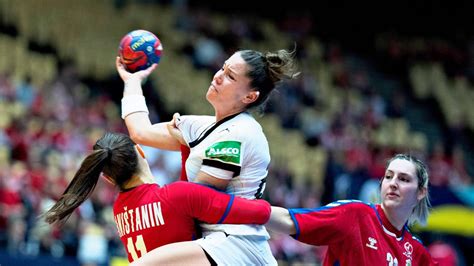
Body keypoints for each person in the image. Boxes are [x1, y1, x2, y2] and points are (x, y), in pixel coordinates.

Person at [116, 47, 299, 265]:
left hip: (236, 245)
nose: (218, 76)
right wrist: (133, 81)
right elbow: (140, 132)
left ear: (250, 96)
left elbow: (198, 200)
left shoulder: (240, 132)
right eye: (222, 68)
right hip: (210, 242)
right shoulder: (200, 126)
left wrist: (186, 149)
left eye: (230, 76)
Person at [43, 132, 271, 263]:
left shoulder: (119, 209)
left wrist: (186, 154)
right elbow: (260, 212)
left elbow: (181, 205)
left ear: (109, 180)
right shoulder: (174, 197)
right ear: (142, 152)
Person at [266, 153, 438, 265]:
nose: (393, 183)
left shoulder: (416, 251)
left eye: (404, 179)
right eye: (388, 176)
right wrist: (239, 207)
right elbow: (290, 220)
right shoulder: (355, 215)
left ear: (421, 192)